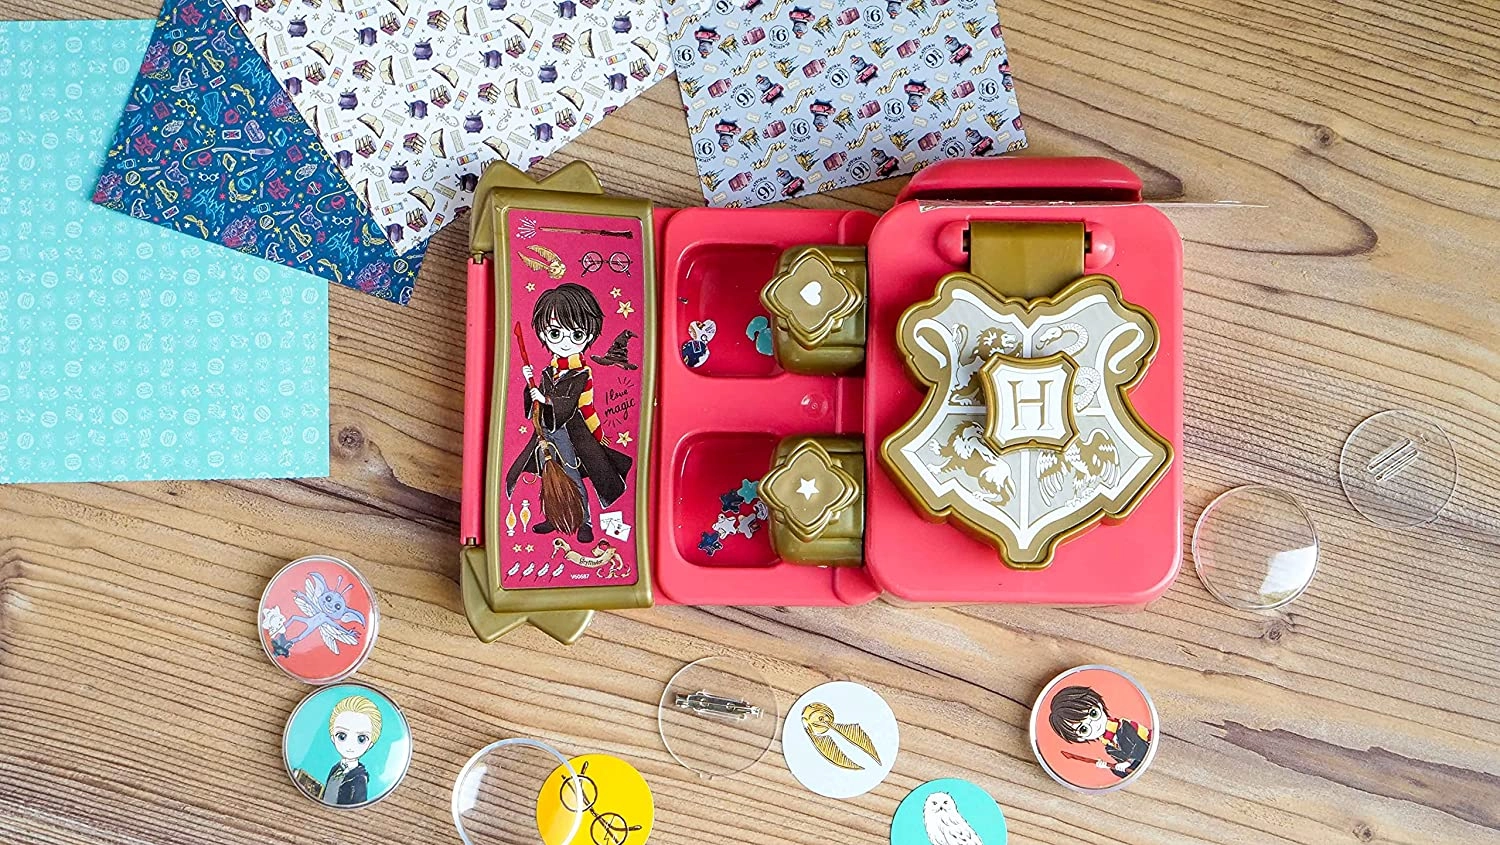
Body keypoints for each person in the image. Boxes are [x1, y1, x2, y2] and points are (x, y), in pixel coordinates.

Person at [505, 283, 633, 543]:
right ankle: (554, 516)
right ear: (543, 334)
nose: (564, 342)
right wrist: (530, 386)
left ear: (589, 335)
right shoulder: (549, 371)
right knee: (549, 475)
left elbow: (569, 401)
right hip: (545, 430)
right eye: (555, 333)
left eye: (576, 334)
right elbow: (535, 401)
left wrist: (545, 398)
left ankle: (584, 521)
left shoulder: (581, 372)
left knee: (572, 474)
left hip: (570, 433)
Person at [1047, 685, 1152, 778]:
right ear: (1080, 738)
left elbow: (1142, 748)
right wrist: (1109, 767)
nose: (1094, 725)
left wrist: (1128, 762)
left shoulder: (1124, 726)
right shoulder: (1109, 747)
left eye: (1093, 713)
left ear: (1099, 705)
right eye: (1084, 729)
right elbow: (1130, 773)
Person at [324, 695, 382, 806]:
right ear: (333, 738)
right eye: (342, 736)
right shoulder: (335, 769)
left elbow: (357, 804)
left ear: (370, 745)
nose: (350, 745)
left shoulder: (359, 779)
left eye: (361, 739)